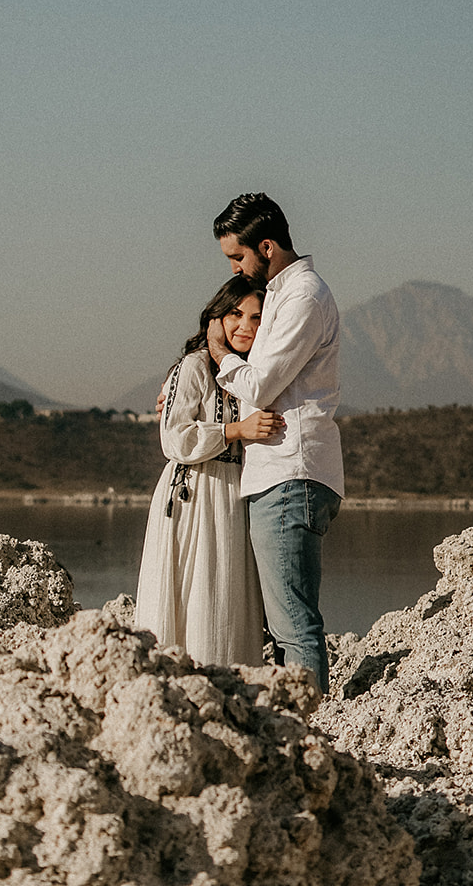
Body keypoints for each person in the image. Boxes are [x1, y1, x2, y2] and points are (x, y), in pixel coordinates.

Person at [206, 192, 343, 695]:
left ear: (266, 247)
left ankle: (313, 732)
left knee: (292, 623)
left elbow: (261, 385)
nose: (237, 271)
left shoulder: (303, 296)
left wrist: (219, 355)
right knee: (284, 620)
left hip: (292, 472)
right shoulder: (285, 295)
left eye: (238, 258)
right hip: (281, 473)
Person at [134, 276, 284, 667]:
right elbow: (174, 440)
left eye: (256, 317)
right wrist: (236, 430)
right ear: (216, 317)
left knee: (226, 598)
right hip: (195, 494)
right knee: (195, 594)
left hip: (236, 495)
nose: (245, 326)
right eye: (235, 314)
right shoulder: (194, 366)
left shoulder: (257, 372)